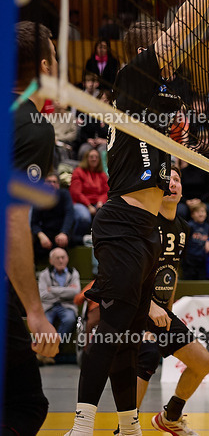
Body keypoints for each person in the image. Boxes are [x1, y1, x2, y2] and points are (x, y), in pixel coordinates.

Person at [69, 0, 209, 436]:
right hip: (120, 222)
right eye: (166, 48)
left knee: (128, 332)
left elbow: (163, 187)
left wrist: (174, 158)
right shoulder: (133, 81)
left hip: (145, 230)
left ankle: (131, 425)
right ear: (147, 52)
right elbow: (184, 27)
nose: (176, 54)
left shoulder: (153, 116)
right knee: (113, 328)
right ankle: (82, 424)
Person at [134, 166, 209, 434]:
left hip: (160, 311)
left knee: (203, 362)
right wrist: (149, 306)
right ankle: (126, 428)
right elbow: (130, 272)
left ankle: (169, 417)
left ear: (182, 190)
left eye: (177, 179)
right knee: (147, 355)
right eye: (167, 179)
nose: (172, 183)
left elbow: (172, 271)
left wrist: (167, 309)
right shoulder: (145, 222)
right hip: (135, 307)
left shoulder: (182, 227)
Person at [9, 22, 61, 435]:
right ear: (44, 66)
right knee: (24, 406)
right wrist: (36, 312)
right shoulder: (31, 124)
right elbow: (12, 220)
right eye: (55, 57)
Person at [38, 247, 82, 354]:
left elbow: (76, 292)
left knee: (69, 319)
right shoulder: (44, 274)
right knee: (45, 322)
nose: (61, 261)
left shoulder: (73, 273)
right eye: (57, 258)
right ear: (51, 261)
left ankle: (54, 346)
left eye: (63, 257)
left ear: (67, 259)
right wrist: (66, 292)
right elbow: (43, 295)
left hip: (67, 306)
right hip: (49, 306)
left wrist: (52, 290)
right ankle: (50, 350)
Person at [33, 173, 82, 261]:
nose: (51, 184)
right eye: (49, 182)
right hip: (46, 233)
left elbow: (69, 215)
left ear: (58, 185)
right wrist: (41, 235)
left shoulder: (64, 194)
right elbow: (34, 222)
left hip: (63, 231)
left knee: (64, 242)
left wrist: (64, 232)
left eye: (54, 182)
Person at [71, 148, 109, 231]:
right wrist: (88, 205)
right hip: (80, 203)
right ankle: (79, 236)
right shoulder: (78, 172)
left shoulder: (102, 174)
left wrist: (100, 201)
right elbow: (76, 193)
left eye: (96, 157)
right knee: (84, 217)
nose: (94, 159)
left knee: (107, 214)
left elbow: (106, 191)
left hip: (97, 203)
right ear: (86, 159)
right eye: (91, 157)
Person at [183, 201, 209, 280]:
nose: (201, 214)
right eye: (197, 212)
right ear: (192, 215)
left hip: (202, 259)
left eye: (203, 211)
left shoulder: (207, 226)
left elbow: (208, 237)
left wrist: (208, 241)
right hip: (190, 259)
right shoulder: (189, 226)